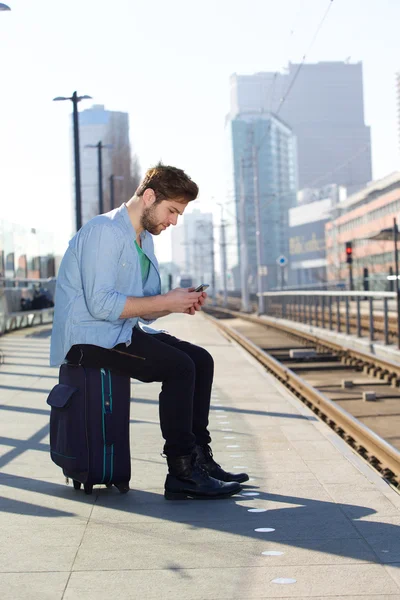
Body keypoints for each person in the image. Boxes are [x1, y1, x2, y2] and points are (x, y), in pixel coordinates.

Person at [50, 163, 248, 500]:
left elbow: (143, 306)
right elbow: (101, 305)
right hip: (89, 339)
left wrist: (176, 304)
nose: (173, 221)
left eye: (179, 214)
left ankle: (200, 459)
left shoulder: (143, 239)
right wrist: (165, 300)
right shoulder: (105, 232)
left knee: (201, 360)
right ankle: (182, 472)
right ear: (150, 197)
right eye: (172, 211)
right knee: (180, 368)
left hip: (118, 332)